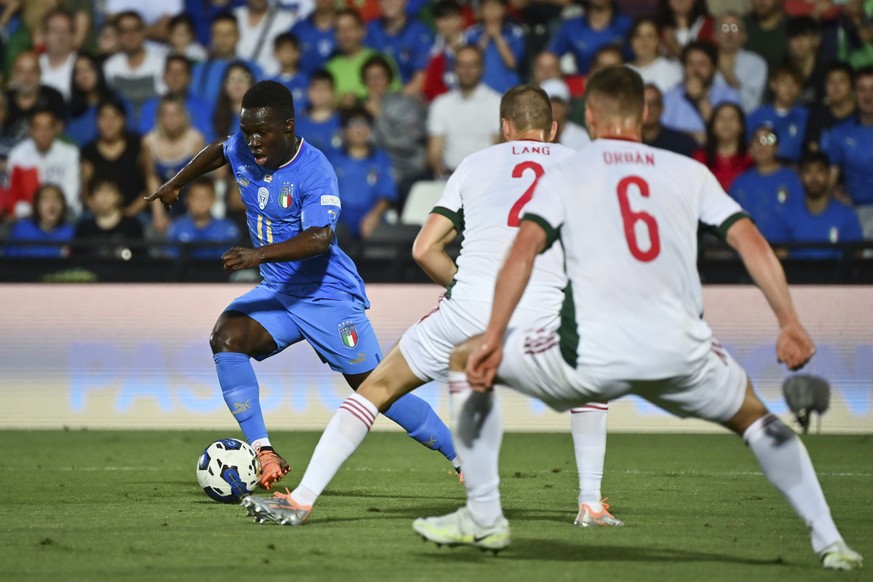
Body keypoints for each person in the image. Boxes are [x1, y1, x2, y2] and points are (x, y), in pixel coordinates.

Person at [412, 66, 863, 571]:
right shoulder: (687, 171)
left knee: (466, 359)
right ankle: (831, 542)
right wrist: (789, 321)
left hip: (598, 350)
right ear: (645, 114)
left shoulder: (571, 171)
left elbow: (524, 251)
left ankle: (485, 515)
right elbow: (750, 242)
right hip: (679, 345)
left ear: (592, 116)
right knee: (757, 421)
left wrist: (494, 334)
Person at [239, 84, 621, 529]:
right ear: (553, 130)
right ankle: (590, 505)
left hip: (471, 307)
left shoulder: (475, 165)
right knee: (590, 389)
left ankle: (301, 500)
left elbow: (424, 249)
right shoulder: (580, 166)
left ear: (503, 128)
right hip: (547, 310)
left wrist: (463, 285)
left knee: (376, 389)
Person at [146, 80, 459, 490]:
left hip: (326, 294)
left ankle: (459, 454)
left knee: (377, 390)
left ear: (289, 126)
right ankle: (263, 450)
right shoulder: (243, 146)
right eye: (248, 132)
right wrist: (178, 181)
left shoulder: (314, 170)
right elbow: (218, 151)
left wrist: (257, 255)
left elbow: (319, 238)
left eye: (263, 132)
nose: (253, 142)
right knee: (227, 336)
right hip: (279, 292)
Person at [426, 45, 501, 178]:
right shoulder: (441, 104)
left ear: (482, 68)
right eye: (462, 65)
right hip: (448, 179)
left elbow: (499, 148)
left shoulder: (497, 103)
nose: (467, 70)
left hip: (485, 179)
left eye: (472, 65)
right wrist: (444, 176)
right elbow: (434, 153)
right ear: (454, 68)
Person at [329, 106, 397, 241]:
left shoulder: (382, 159)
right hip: (338, 218)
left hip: (371, 216)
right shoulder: (330, 159)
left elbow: (387, 194)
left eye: (365, 124)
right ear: (344, 130)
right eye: (354, 124)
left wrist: (374, 216)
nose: (360, 129)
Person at [780, 151, 863, 260]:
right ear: (800, 177)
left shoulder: (846, 215)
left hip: (837, 275)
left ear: (828, 175)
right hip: (797, 274)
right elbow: (780, 254)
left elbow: (857, 255)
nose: (814, 178)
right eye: (808, 172)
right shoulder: (786, 214)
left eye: (820, 171)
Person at [730, 126, 803, 243]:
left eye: (769, 140)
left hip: (786, 252)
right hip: (746, 253)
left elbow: (802, 218)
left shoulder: (792, 180)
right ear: (750, 147)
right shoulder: (739, 183)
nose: (762, 145)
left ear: (777, 147)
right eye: (757, 140)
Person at [4, 108, 80, 220]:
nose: (43, 133)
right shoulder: (17, 155)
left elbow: (71, 195)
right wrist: (39, 211)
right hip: (28, 215)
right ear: (30, 131)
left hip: (64, 213)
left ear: (56, 129)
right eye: (38, 128)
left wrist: (51, 210)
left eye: (48, 128)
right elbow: (12, 194)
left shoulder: (70, 153)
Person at [824, 65, 873, 237]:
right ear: (854, 93)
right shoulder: (841, 133)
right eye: (862, 90)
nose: (868, 96)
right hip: (855, 212)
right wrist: (832, 194)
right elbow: (830, 178)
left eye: (872, 89)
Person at [661, 40, 741, 144]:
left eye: (702, 64)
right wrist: (691, 137)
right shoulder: (671, 96)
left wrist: (700, 97)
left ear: (713, 68)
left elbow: (727, 134)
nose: (696, 69)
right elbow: (663, 134)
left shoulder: (729, 95)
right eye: (690, 63)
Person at [546, 0, 631, 75]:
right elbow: (550, 57)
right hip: (580, 85)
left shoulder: (626, 25)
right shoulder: (572, 26)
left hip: (619, 84)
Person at [166, 176, 241, 259]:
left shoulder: (228, 228)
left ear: (214, 199)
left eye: (205, 197)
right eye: (196, 197)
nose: (201, 202)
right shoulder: (177, 227)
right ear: (187, 200)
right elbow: (170, 259)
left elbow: (232, 261)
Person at [463, 0, 525, 95]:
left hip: (509, 92)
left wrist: (497, 36)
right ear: (481, 11)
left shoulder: (515, 32)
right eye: (488, 7)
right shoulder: (472, 33)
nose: (492, 11)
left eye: (496, 7)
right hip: (479, 92)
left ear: (504, 10)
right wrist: (486, 36)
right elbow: (472, 61)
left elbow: (512, 63)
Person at [73, 178, 145, 258]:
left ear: (119, 196)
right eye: (99, 191)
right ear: (92, 197)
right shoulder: (84, 229)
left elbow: (141, 260)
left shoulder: (132, 226)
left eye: (110, 191)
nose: (105, 196)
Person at [713, 12, 767, 114]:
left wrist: (729, 76)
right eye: (724, 28)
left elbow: (752, 106)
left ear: (744, 36)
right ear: (715, 35)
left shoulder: (756, 63)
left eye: (734, 28)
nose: (729, 32)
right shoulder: (706, 62)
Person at [693, 102, 752, 191]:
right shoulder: (700, 158)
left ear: (741, 126)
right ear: (712, 126)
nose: (726, 123)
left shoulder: (751, 159)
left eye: (732, 118)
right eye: (721, 118)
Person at [4, 183, 74, 257]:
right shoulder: (21, 230)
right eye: (46, 200)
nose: (52, 205)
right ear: (37, 205)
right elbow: (9, 263)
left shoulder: (71, 234)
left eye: (57, 200)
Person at [627, 17, 683, 94]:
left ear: (658, 40)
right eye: (638, 36)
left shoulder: (671, 70)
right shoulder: (623, 71)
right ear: (631, 41)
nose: (643, 41)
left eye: (649, 36)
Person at [642, 83, 698, 156]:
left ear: (662, 109)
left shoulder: (681, 144)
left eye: (653, 104)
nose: (648, 109)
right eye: (643, 103)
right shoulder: (625, 143)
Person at [540, 78, 591, 150]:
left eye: (558, 102)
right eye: (549, 102)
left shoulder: (582, 137)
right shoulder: (532, 137)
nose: (554, 107)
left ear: (568, 106)